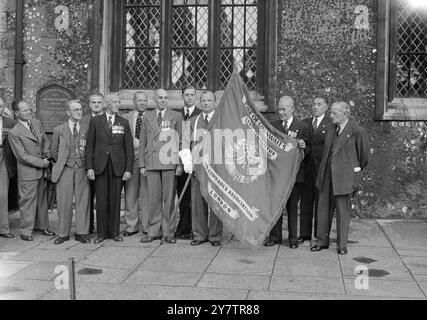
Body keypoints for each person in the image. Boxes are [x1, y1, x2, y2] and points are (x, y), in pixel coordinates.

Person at [311, 101, 369, 255]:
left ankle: (341, 245)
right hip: (326, 176)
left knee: (343, 212)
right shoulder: (330, 128)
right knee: (323, 210)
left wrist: (353, 174)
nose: (331, 116)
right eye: (331, 113)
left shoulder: (357, 131)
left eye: (334, 113)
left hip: (344, 178)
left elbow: (364, 157)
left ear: (345, 113)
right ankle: (322, 241)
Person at [85, 93, 133, 244]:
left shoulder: (123, 122)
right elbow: (89, 147)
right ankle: (101, 233)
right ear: (107, 103)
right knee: (101, 200)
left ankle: (114, 232)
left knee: (115, 200)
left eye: (119, 101)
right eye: (116, 102)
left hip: (118, 167)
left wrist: (128, 169)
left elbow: (129, 149)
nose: (118, 104)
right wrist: (89, 167)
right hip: (100, 166)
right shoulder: (95, 121)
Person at [139, 89, 183, 244]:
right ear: (154, 99)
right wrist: (142, 165)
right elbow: (143, 141)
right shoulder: (147, 116)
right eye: (160, 97)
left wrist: (179, 163)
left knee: (169, 199)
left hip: (170, 162)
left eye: (165, 98)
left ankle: (169, 231)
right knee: (154, 199)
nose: (163, 100)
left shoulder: (176, 116)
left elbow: (182, 141)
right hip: (151, 162)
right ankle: (153, 231)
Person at [180, 91, 223, 247]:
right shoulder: (192, 121)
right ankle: (199, 234)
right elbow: (184, 143)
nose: (205, 103)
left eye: (209, 100)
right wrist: (187, 161)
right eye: (203, 100)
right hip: (197, 168)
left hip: (216, 168)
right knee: (197, 202)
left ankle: (215, 236)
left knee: (216, 203)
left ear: (215, 102)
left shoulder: (222, 120)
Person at [8, 100, 55, 241]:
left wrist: (46, 153)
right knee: (27, 202)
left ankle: (42, 226)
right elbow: (22, 156)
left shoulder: (36, 123)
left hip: (41, 171)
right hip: (28, 172)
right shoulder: (14, 132)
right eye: (24, 110)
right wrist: (43, 163)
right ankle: (26, 231)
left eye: (29, 109)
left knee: (42, 201)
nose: (28, 112)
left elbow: (45, 141)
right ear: (16, 113)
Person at [264, 96, 308, 248]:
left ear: (292, 109)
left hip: (294, 177)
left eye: (284, 109)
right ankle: (274, 237)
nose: (281, 112)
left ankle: (293, 239)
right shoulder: (273, 126)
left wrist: (303, 145)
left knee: (292, 208)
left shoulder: (302, 126)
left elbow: (309, 151)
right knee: (276, 207)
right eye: (279, 109)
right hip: (277, 176)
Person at [51, 100, 91, 245]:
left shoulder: (86, 128)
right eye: (75, 110)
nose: (79, 112)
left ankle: (82, 232)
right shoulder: (59, 130)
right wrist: (64, 162)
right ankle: (63, 233)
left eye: (80, 109)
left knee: (83, 201)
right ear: (68, 112)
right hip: (65, 169)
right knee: (64, 202)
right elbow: (54, 151)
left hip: (82, 168)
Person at [299, 97, 332, 243]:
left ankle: (319, 235)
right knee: (305, 201)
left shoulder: (330, 124)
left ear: (326, 107)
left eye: (319, 104)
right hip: (306, 168)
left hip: (321, 170)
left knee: (321, 203)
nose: (315, 107)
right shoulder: (305, 123)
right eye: (314, 104)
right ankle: (304, 234)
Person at [175, 85, 202, 239]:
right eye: (187, 94)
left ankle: (194, 227)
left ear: (195, 96)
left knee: (194, 196)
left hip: (196, 162)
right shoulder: (177, 114)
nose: (190, 97)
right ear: (182, 96)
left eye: (192, 94)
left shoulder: (199, 114)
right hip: (180, 161)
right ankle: (183, 226)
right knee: (182, 195)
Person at [122, 92, 150, 237]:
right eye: (139, 100)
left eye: (144, 100)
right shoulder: (126, 118)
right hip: (131, 158)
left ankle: (146, 226)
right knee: (130, 194)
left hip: (146, 159)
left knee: (146, 194)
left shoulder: (152, 117)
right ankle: (131, 226)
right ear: (134, 101)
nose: (142, 102)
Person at [82, 93, 105, 234]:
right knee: (87, 196)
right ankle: (88, 225)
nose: (96, 104)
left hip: (104, 164)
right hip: (88, 162)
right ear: (89, 104)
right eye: (93, 102)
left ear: (103, 104)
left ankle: (103, 226)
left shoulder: (108, 119)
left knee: (103, 197)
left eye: (99, 102)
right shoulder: (83, 120)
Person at [0, 96, 17, 239]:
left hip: (4, 158)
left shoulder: (10, 123)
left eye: (0, 106)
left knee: (3, 194)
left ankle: (4, 229)